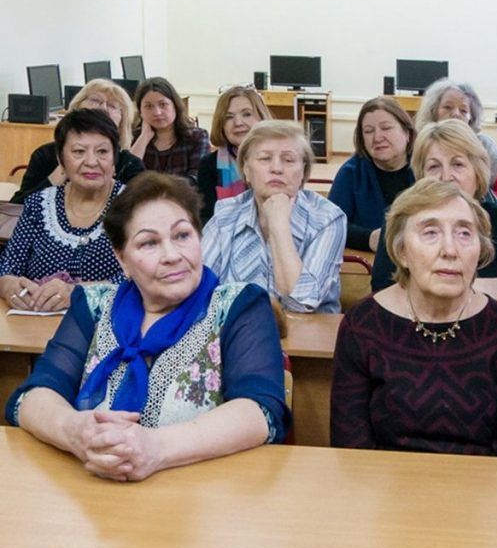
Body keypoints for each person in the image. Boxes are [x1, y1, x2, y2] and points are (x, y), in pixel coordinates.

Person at [4, 172, 289, 482]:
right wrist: (76, 432)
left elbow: (261, 411)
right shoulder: (94, 305)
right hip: (91, 492)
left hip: (204, 501)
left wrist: (156, 448)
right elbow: (32, 396)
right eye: (149, 243)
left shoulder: (239, 305)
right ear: (122, 259)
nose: (172, 256)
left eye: (182, 236)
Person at [331, 177, 497, 457]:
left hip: (484, 493)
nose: (450, 250)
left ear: (480, 250)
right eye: (430, 232)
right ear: (401, 251)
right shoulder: (362, 326)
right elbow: (350, 450)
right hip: (383, 491)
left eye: (464, 233)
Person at [371, 119, 497, 323]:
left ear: (478, 172)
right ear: (420, 175)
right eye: (434, 167)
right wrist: (475, 289)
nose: (446, 177)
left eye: (457, 164)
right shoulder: (400, 219)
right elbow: (382, 291)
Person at [202, 120, 346, 313]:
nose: (276, 168)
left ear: (303, 171)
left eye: (288, 160)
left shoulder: (328, 218)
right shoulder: (226, 214)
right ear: (246, 169)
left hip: (306, 337)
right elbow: (198, 290)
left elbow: (301, 301)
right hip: (235, 333)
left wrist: (279, 226)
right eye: (265, 158)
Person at [0, 109, 126, 312]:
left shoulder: (134, 207)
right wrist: (8, 286)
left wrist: (76, 293)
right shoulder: (38, 204)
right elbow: (9, 264)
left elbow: (143, 278)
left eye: (102, 152)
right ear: (61, 160)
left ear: (114, 159)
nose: (91, 162)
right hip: (32, 324)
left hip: (108, 327)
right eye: (78, 152)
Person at [11, 79, 143, 204]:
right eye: (96, 100)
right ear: (76, 108)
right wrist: (59, 174)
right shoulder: (45, 155)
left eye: (112, 106)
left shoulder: (130, 165)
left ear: (122, 120)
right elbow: (16, 208)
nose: (103, 108)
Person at [417, 79, 497, 209]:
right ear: (433, 111)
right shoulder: (423, 145)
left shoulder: (484, 145)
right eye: (448, 107)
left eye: (463, 110)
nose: (456, 114)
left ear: (471, 118)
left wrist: (471, 196)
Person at [327, 97, 415, 252]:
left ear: (407, 133)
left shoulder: (425, 169)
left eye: (386, 128)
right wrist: (369, 238)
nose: (377, 137)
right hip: (366, 267)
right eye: (368, 131)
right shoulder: (351, 173)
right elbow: (331, 225)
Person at [196, 86, 272, 225]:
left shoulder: (278, 161)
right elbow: (206, 219)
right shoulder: (208, 164)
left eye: (247, 114)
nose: (238, 123)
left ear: (261, 118)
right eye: (229, 117)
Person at [129, 77, 210, 184]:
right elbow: (127, 179)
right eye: (148, 106)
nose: (157, 112)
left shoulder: (196, 137)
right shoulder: (133, 138)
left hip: (183, 199)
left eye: (163, 105)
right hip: (142, 200)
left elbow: (196, 180)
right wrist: (144, 137)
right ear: (140, 111)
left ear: (175, 105)